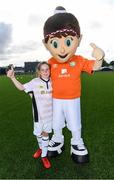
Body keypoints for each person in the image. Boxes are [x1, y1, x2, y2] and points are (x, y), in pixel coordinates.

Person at [43, 6, 105, 163]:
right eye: (55, 44)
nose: (62, 49)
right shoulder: (50, 63)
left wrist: (99, 58)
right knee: (56, 122)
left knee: (74, 122)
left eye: (68, 41)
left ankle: (76, 142)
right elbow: (42, 77)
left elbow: (94, 66)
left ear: (79, 39)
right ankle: (58, 139)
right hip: (55, 99)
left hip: (73, 99)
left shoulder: (78, 60)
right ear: (46, 45)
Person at [7, 62, 52, 169]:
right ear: (39, 72)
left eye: (47, 69)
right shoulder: (35, 82)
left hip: (50, 115)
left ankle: (44, 156)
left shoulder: (53, 81)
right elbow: (22, 87)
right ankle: (41, 148)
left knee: (46, 134)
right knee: (38, 134)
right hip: (38, 115)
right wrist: (12, 78)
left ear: (50, 70)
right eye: (43, 70)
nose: (45, 72)